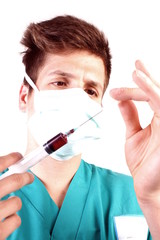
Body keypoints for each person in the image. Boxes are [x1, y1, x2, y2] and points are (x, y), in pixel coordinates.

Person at [0, 14, 159, 240]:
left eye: (90, 91)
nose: (77, 99)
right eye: (60, 82)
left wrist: (152, 202)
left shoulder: (135, 197)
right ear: (25, 96)